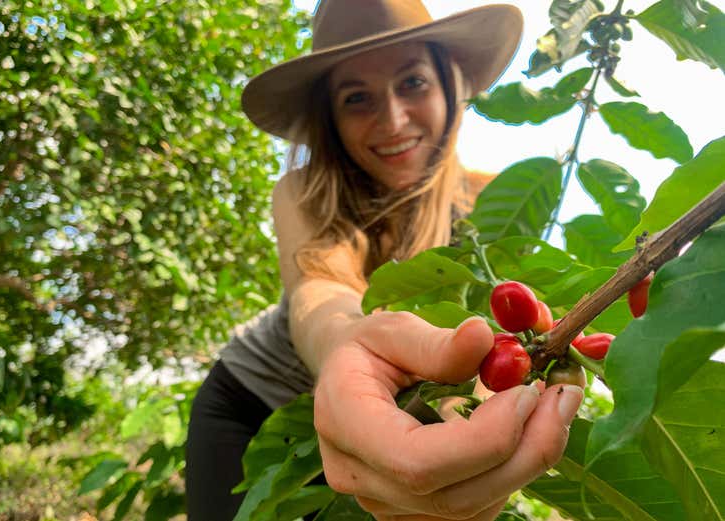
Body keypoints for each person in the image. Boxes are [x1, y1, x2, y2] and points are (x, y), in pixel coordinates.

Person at [185, 1, 584, 520]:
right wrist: (346, 346)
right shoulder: (305, 190)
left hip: (391, 423)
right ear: (331, 119)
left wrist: (472, 414)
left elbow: (496, 334)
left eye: (412, 83)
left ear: (448, 86)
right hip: (251, 403)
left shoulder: (494, 210)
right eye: (357, 98)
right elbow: (320, 290)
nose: (393, 120)